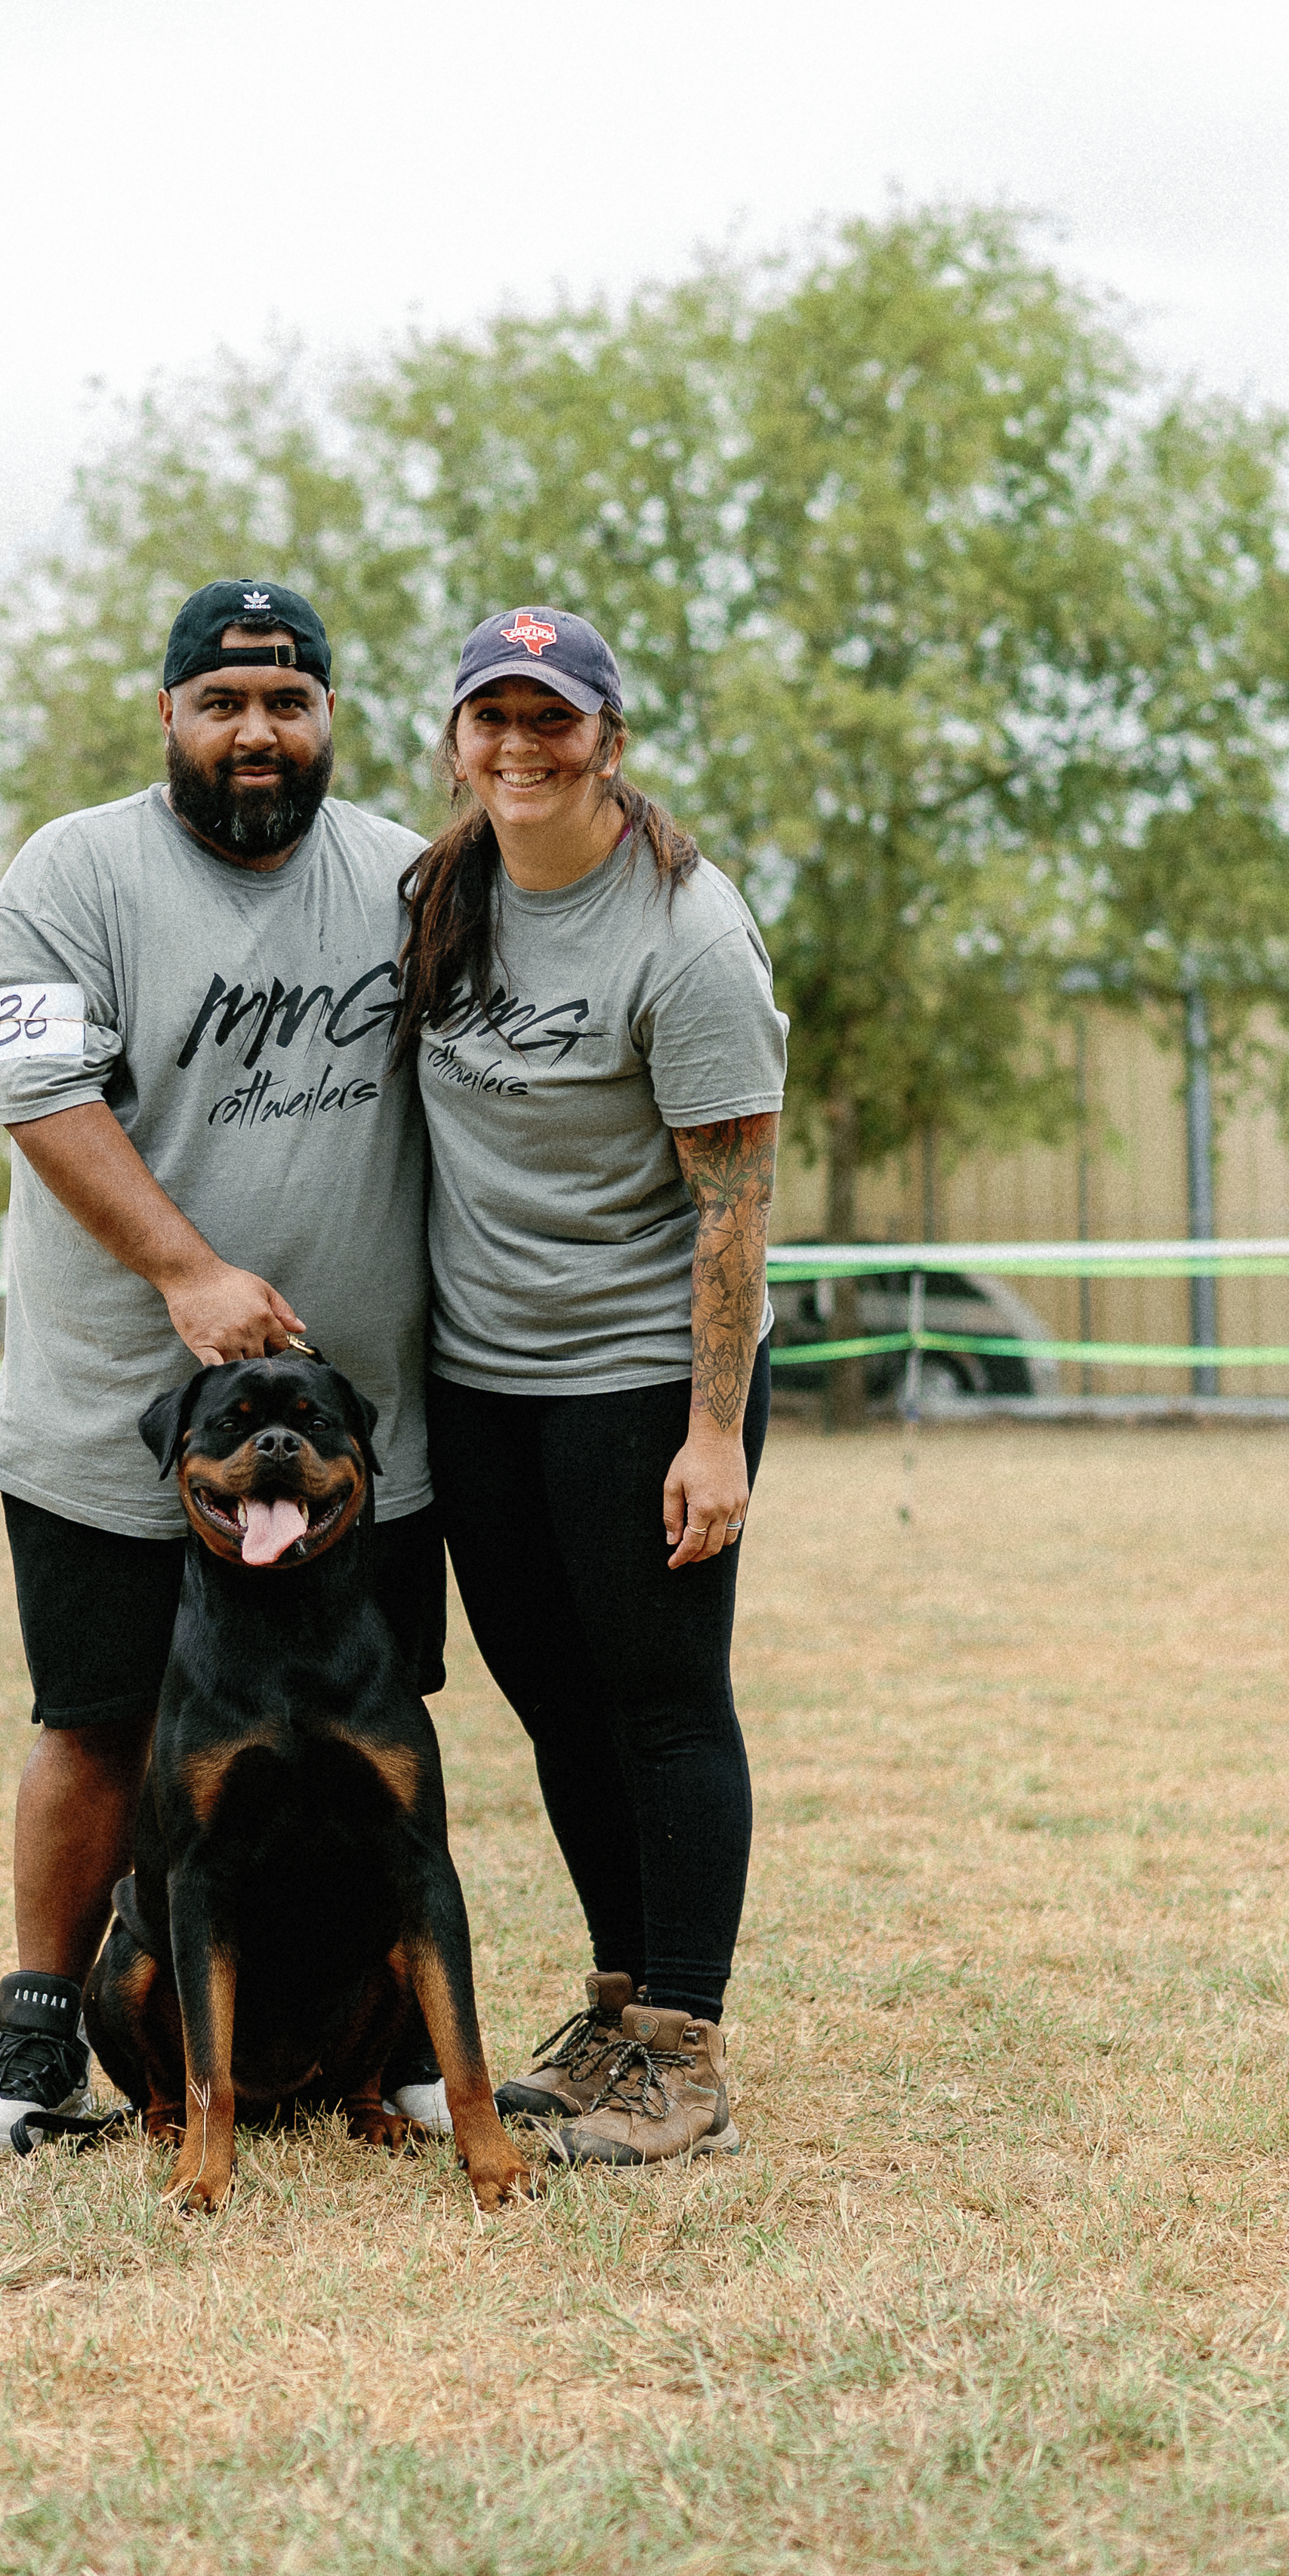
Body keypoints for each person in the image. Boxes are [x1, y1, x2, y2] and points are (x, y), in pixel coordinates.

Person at [0, 578, 447, 2155]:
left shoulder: (413, 880)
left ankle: (396, 2042)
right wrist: (185, 1270)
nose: (254, 731)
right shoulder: (66, 877)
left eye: (286, 702)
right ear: (166, 714)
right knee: (97, 1721)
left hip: (357, 1430)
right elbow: (33, 1086)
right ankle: (37, 2041)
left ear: (329, 720)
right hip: (115, 1412)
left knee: (375, 1725)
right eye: (220, 701)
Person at [391, 607, 786, 2168]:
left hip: (642, 1371)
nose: (517, 744)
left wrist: (710, 1431)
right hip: (484, 1375)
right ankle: (617, 2004)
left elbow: (734, 1207)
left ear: (607, 741)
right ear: (456, 742)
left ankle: (682, 2047)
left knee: (662, 1700)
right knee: (552, 1694)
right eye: (489, 716)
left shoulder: (684, 933)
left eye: (549, 718)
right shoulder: (444, 894)